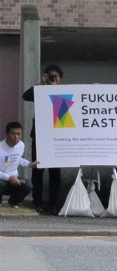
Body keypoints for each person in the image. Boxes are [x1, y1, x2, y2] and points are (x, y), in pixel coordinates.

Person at [22, 64, 63, 214]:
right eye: (50, 76)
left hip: (57, 138)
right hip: (40, 137)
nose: (53, 79)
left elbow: (64, 116)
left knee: (55, 174)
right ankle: (37, 203)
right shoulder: (40, 91)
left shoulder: (64, 93)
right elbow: (25, 96)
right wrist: (41, 85)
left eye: (55, 77)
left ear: (60, 79)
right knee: (37, 171)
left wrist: (54, 89)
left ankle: (53, 205)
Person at [0, 122, 39, 207]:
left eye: (19, 134)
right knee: (1, 184)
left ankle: (13, 203)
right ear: (7, 134)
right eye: (13, 134)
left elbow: (18, 158)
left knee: (28, 186)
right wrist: (9, 177)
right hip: (2, 179)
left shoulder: (21, 145)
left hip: (14, 180)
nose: (16, 137)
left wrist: (29, 164)